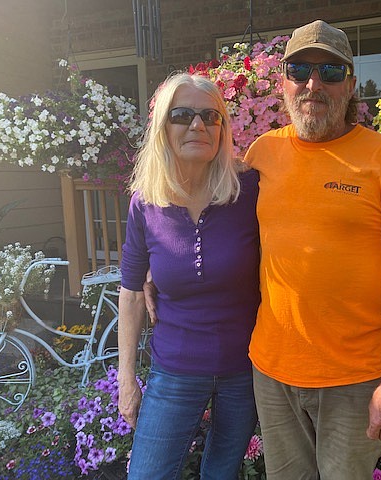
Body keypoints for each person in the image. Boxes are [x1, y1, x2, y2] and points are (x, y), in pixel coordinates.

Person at [243, 20, 381, 479]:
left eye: (331, 72)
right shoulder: (261, 154)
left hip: (355, 380)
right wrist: (155, 270)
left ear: (350, 85)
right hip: (272, 373)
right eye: (300, 70)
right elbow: (221, 231)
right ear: (283, 82)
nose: (314, 84)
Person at [117, 72, 260, 480]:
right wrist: (127, 379)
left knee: (221, 474)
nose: (197, 125)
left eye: (210, 116)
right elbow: (129, 293)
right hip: (174, 370)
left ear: (222, 129)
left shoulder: (249, 188)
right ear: (163, 126)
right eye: (182, 115)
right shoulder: (146, 202)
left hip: (244, 372)